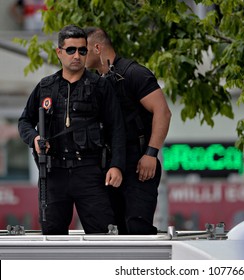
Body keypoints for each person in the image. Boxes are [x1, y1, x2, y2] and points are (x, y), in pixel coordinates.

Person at [18, 25, 126, 235]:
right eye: (71, 50)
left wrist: (117, 166)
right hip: (53, 172)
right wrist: (35, 138)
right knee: (52, 236)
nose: (77, 55)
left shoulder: (100, 86)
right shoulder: (45, 86)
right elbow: (24, 122)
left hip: (89, 172)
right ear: (59, 52)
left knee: (102, 235)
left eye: (82, 50)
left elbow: (117, 128)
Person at [84, 27, 172, 235]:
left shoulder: (134, 73)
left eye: (83, 50)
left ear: (97, 48)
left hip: (139, 161)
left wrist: (151, 153)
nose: (79, 55)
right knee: (113, 230)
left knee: (137, 227)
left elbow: (163, 112)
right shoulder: (94, 83)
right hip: (110, 163)